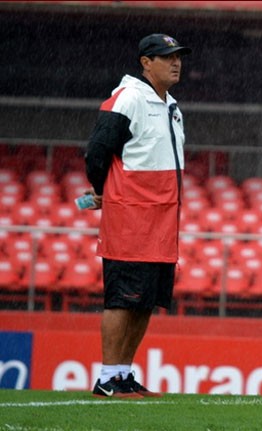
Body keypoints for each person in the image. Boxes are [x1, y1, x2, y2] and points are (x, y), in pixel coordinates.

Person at [84, 33, 191, 398]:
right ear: (146, 62)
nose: (176, 63)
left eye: (178, 57)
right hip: (131, 218)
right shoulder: (128, 99)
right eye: (166, 57)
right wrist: (104, 192)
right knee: (121, 300)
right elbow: (96, 152)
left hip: (162, 223)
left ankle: (124, 374)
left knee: (145, 302)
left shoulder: (171, 105)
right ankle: (107, 378)